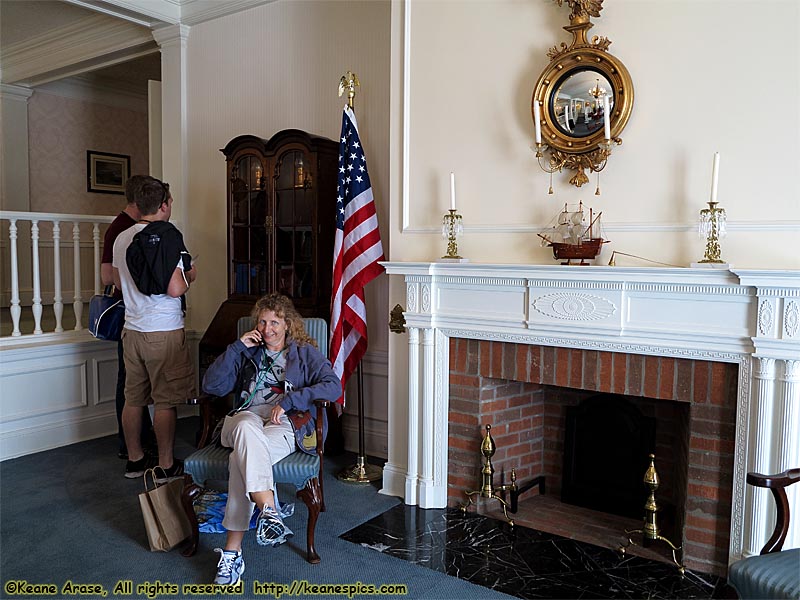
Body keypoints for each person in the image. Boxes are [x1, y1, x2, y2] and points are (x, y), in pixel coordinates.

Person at [202, 293, 340, 586]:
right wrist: (237, 348)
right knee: (246, 432)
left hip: (284, 423)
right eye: (263, 322)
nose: (268, 329)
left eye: (275, 322)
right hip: (243, 420)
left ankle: (232, 552)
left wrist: (290, 401)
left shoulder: (304, 353)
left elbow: (333, 387)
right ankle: (269, 510)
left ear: (287, 324)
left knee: (241, 457)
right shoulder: (246, 351)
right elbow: (211, 385)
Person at [112, 176, 197, 479]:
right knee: (165, 401)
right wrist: (191, 275)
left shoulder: (122, 237)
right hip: (163, 330)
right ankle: (165, 464)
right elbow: (175, 288)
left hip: (132, 328)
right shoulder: (168, 235)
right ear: (163, 205)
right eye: (170, 202)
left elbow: (117, 281)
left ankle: (135, 460)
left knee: (133, 397)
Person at [100, 174, 153, 460]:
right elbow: (107, 275)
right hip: (130, 314)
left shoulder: (132, 228)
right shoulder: (120, 229)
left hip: (138, 315)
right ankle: (130, 444)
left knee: (135, 383)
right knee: (129, 384)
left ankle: (141, 440)